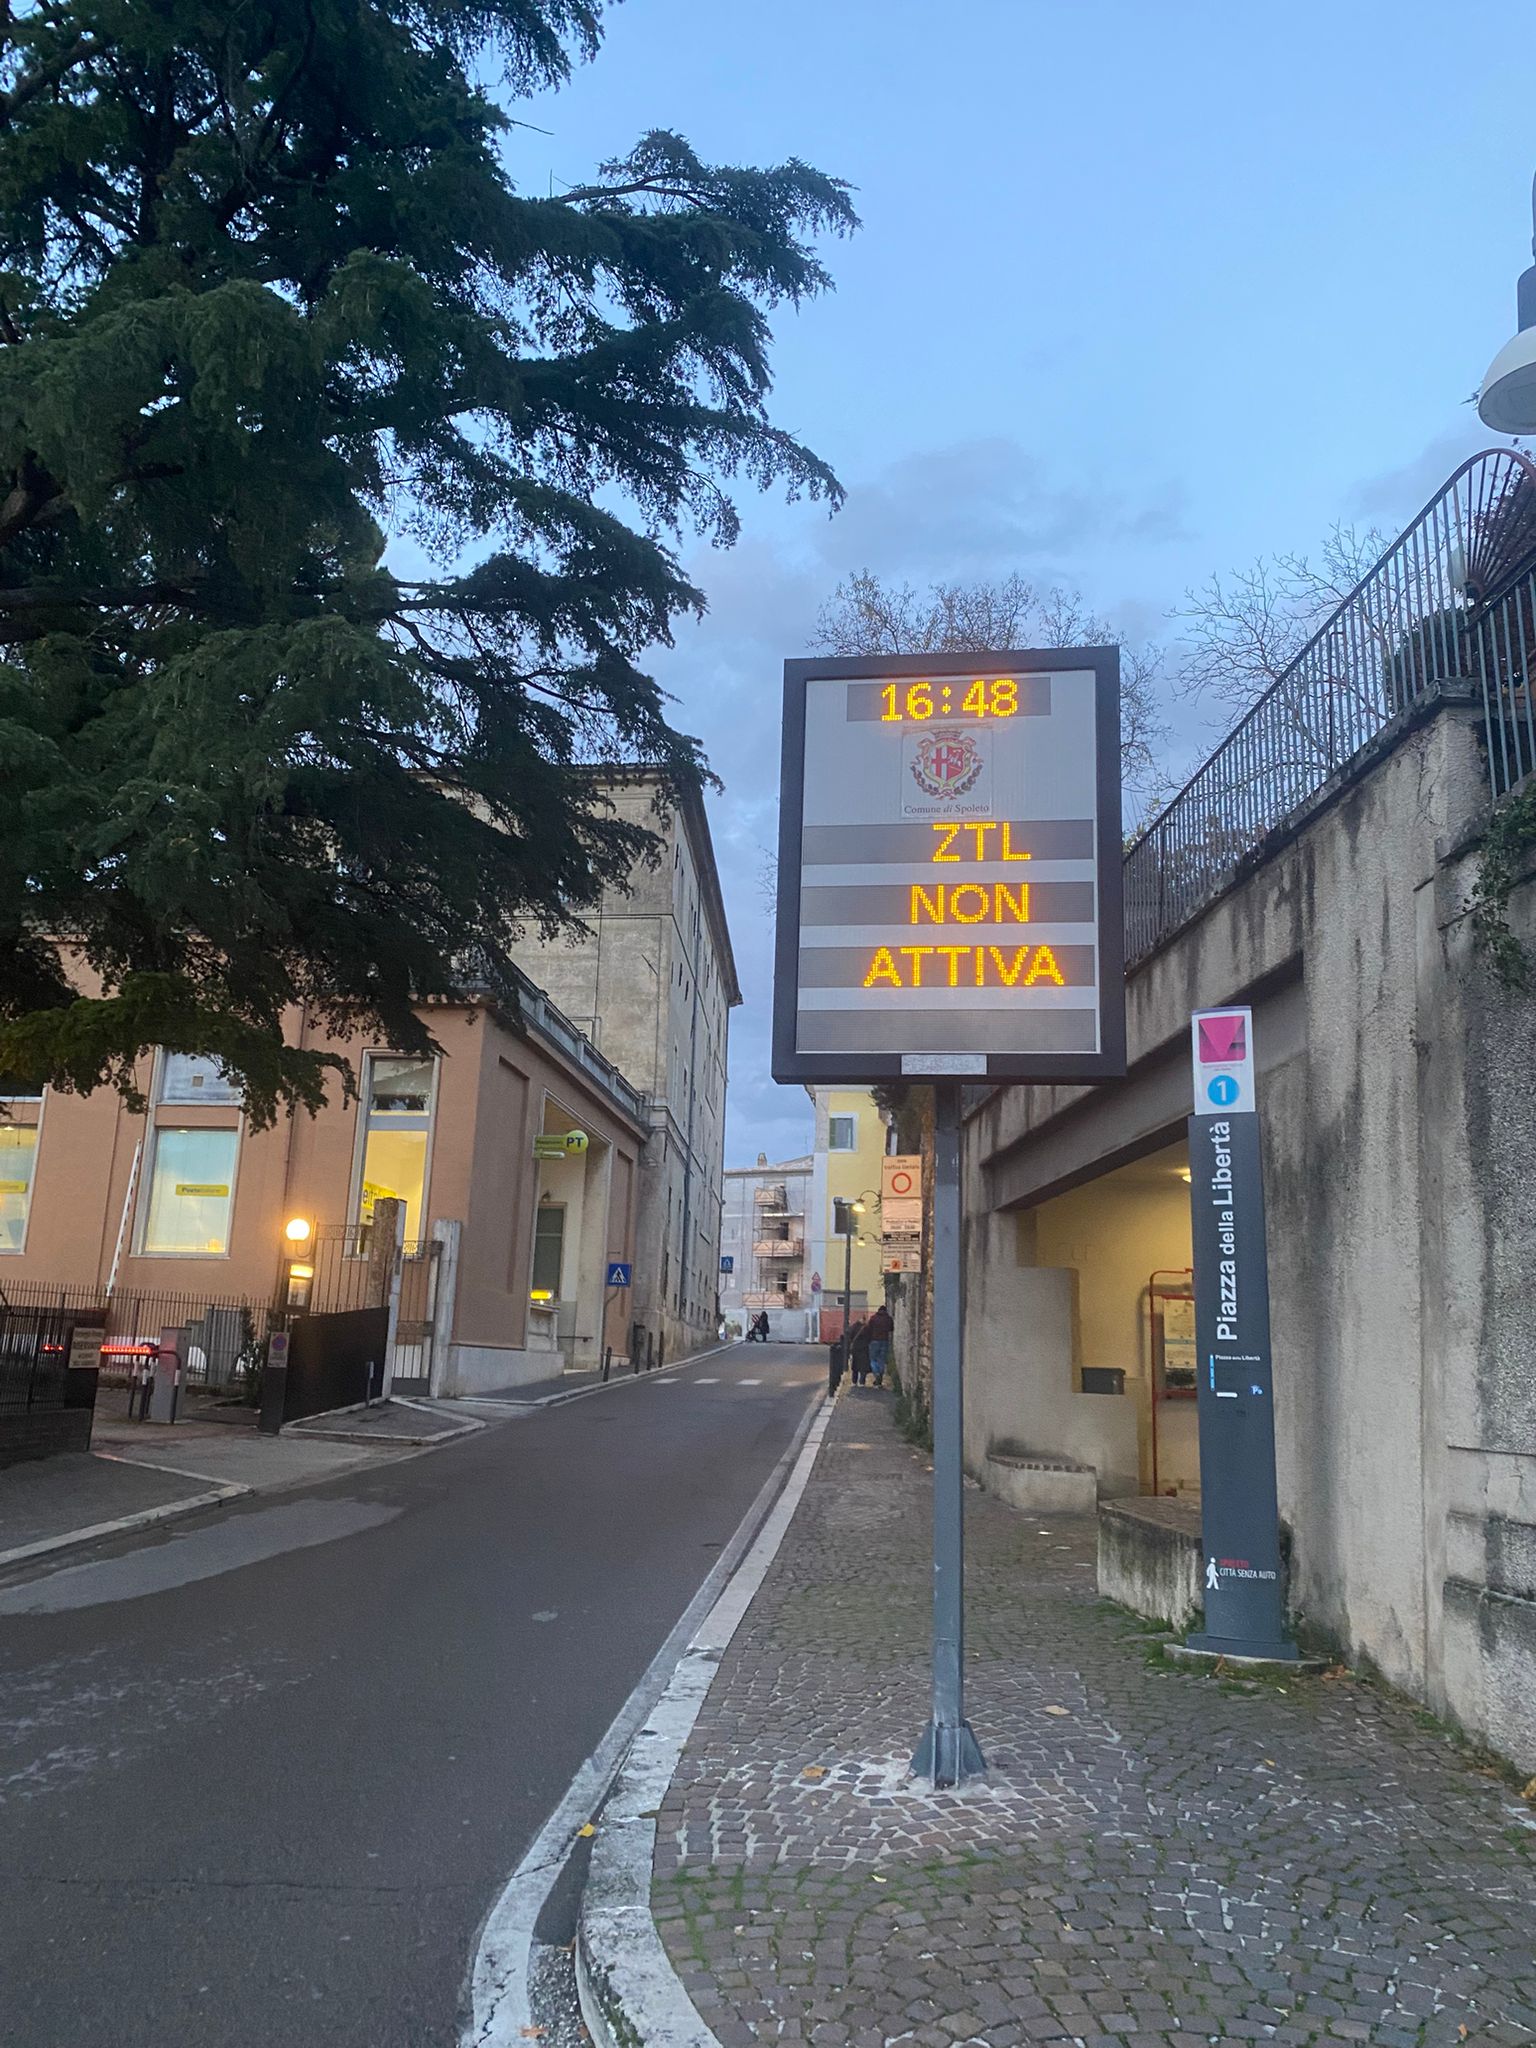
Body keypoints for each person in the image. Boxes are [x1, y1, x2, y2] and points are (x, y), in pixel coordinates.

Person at [864, 1304, 894, 1387]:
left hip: (874, 1340)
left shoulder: (873, 1318)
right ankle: (880, 1374)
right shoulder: (889, 1319)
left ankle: (876, 1373)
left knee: (873, 1359)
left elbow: (868, 1329)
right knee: (881, 1360)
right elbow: (891, 1329)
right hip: (885, 1341)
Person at [847, 1316, 870, 1385]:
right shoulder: (867, 1328)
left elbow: (850, 1336)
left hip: (856, 1348)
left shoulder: (854, 1326)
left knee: (855, 1366)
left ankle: (854, 1381)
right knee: (863, 1366)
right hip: (864, 1348)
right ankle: (862, 1382)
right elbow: (870, 1337)